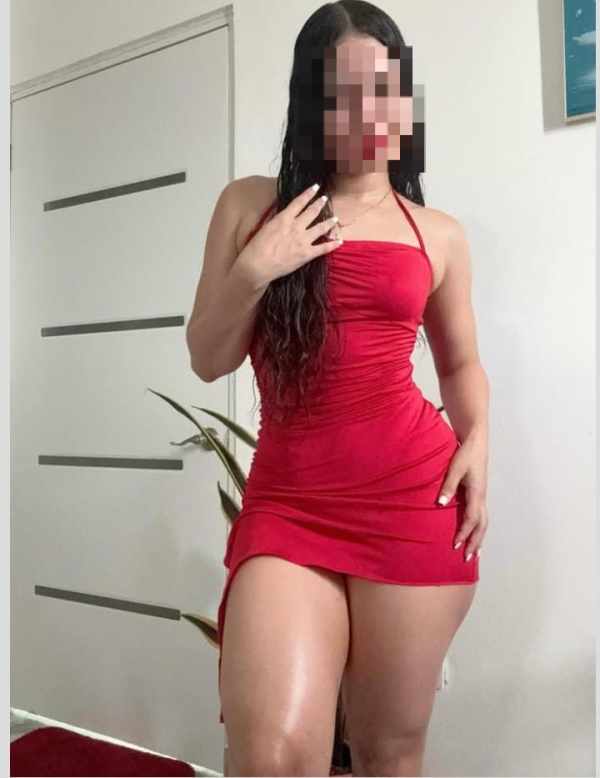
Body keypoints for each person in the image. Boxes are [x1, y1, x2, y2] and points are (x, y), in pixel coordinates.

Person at [186, 1, 490, 775]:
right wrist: (257, 267)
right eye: (343, 93)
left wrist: (480, 438)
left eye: (383, 88)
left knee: (389, 752)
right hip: (289, 504)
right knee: (273, 755)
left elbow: (459, 365)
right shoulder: (250, 206)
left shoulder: (437, 233)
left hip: (412, 503)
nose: (368, 112)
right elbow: (207, 358)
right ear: (311, 103)